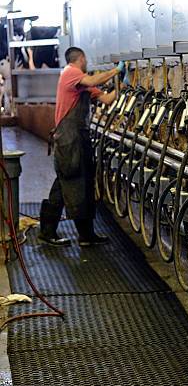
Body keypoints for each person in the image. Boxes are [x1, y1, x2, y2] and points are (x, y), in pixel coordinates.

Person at [38, 47, 123, 247]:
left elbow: (106, 99)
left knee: (80, 184)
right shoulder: (70, 72)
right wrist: (116, 71)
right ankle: (52, 232)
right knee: (70, 183)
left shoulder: (82, 84)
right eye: (85, 60)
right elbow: (93, 80)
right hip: (69, 141)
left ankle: (84, 235)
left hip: (79, 139)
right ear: (81, 59)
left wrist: (121, 86)